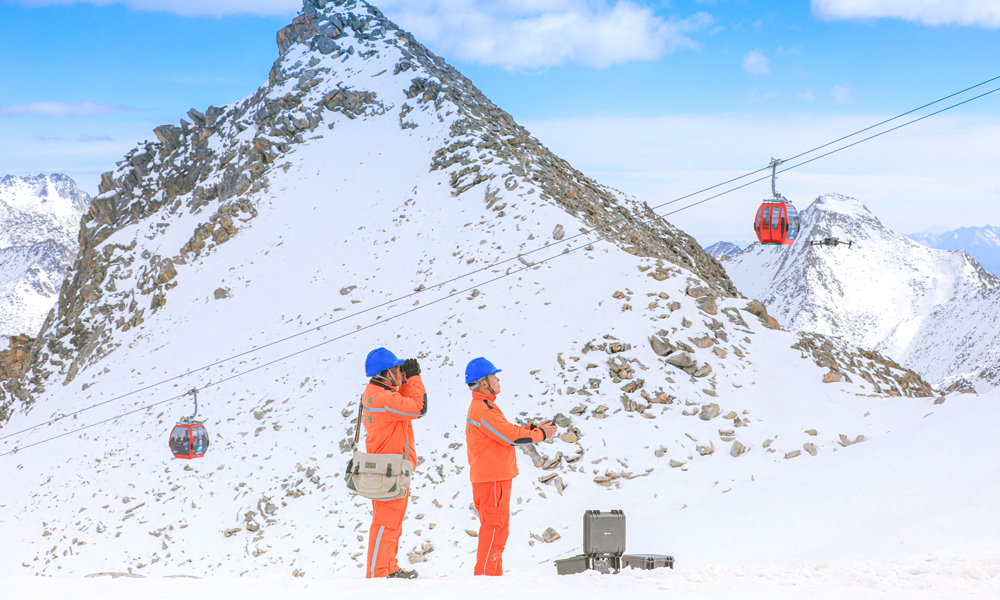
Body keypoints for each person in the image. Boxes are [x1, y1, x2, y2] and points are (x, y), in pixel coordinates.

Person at [464, 357, 556, 576]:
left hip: (493, 477)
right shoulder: (483, 409)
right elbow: (509, 436)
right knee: (495, 528)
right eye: (494, 376)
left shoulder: (486, 406)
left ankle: (492, 577)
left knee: (498, 529)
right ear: (484, 382)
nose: (498, 380)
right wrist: (539, 434)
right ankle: (486, 579)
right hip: (492, 478)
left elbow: (505, 430)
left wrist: (532, 428)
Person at [361, 347, 427, 579]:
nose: (401, 373)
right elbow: (418, 408)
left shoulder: (379, 394)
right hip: (388, 468)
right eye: (398, 370)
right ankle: (379, 573)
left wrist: (406, 381)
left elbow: (406, 404)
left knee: (393, 522)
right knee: (385, 523)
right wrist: (415, 379)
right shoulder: (385, 398)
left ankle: (388, 567)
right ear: (387, 374)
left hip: (392, 467)